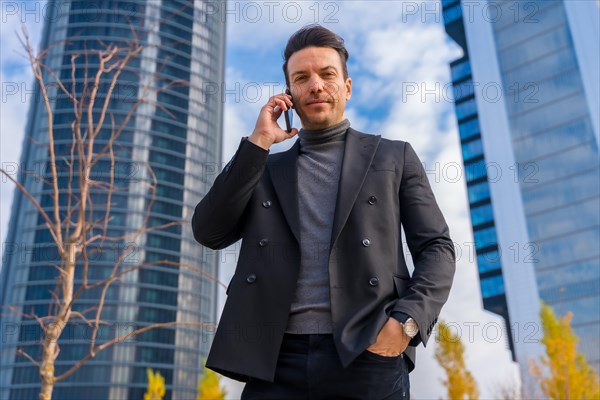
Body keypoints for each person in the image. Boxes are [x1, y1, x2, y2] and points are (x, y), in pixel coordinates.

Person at [192, 24, 456, 400]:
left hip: (368, 352)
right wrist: (258, 142)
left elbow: (437, 247)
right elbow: (209, 231)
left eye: (327, 74)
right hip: (273, 361)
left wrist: (407, 322)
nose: (315, 85)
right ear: (289, 95)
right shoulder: (262, 168)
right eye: (302, 78)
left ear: (346, 87)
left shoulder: (393, 156)